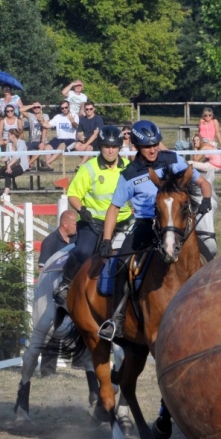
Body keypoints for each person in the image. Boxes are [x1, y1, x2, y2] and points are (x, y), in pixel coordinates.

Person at [97, 120, 213, 340]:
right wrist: (106, 240)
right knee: (121, 264)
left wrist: (206, 199)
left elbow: (203, 183)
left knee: (209, 254)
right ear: (137, 147)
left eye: (155, 144)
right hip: (145, 225)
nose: (152, 150)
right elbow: (114, 208)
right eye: (146, 146)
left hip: (176, 223)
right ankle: (116, 318)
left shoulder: (172, 159)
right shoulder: (129, 173)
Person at [53, 126, 133, 306]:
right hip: (94, 222)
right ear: (100, 147)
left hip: (124, 221)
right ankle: (65, 284)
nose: (111, 150)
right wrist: (82, 210)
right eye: (106, 146)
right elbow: (73, 194)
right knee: (83, 251)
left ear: (120, 147)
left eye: (114, 146)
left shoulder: (129, 167)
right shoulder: (88, 168)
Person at [39, 102, 78, 171]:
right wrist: (41, 121)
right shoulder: (58, 117)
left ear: (69, 107)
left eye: (66, 107)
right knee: (47, 147)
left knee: (62, 145)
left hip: (70, 139)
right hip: (59, 138)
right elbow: (47, 125)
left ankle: (47, 162)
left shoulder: (74, 115)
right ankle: (49, 166)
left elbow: (76, 126)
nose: (64, 109)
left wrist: (72, 121)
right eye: (62, 108)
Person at [0, 128, 29, 201]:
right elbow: (7, 157)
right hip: (11, 165)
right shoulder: (9, 144)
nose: (7, 136)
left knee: (8, 173)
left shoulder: (21, 143)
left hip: (21, 165)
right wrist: (0, 160)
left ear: (13, 135)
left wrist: (9, 165)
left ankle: (5, 194)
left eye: (8, 135)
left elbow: (17, 156)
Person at [22, 102, 48, 169]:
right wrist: (32, 105)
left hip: (41, 140)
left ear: (41, 107)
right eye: (34, 107)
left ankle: (28, 164)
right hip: (32, 140)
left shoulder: (45, 116)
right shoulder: (31, 115)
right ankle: (30, 165)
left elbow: (45, 128)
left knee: (41, 149)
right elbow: (21, 110)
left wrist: (41, 122)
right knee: (24, 147)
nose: (36, 108)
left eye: (38, 107)